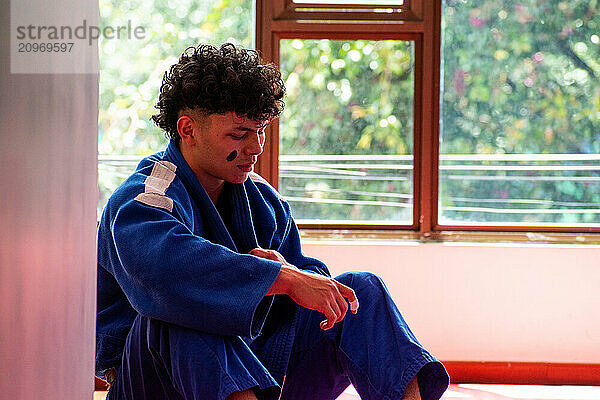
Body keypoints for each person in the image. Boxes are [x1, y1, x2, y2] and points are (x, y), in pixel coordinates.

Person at [96, 43, 449, 400]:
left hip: (262, 372)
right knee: (185, 312)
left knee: (361, 292)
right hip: (159, 383)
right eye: (239, 134)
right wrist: (279, 278)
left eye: (260, 130)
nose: (256, 147)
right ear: (188, 129)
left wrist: (293, 274)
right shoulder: (145, 197)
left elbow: (308, 283)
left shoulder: (261, 199)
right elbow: (164, 270)